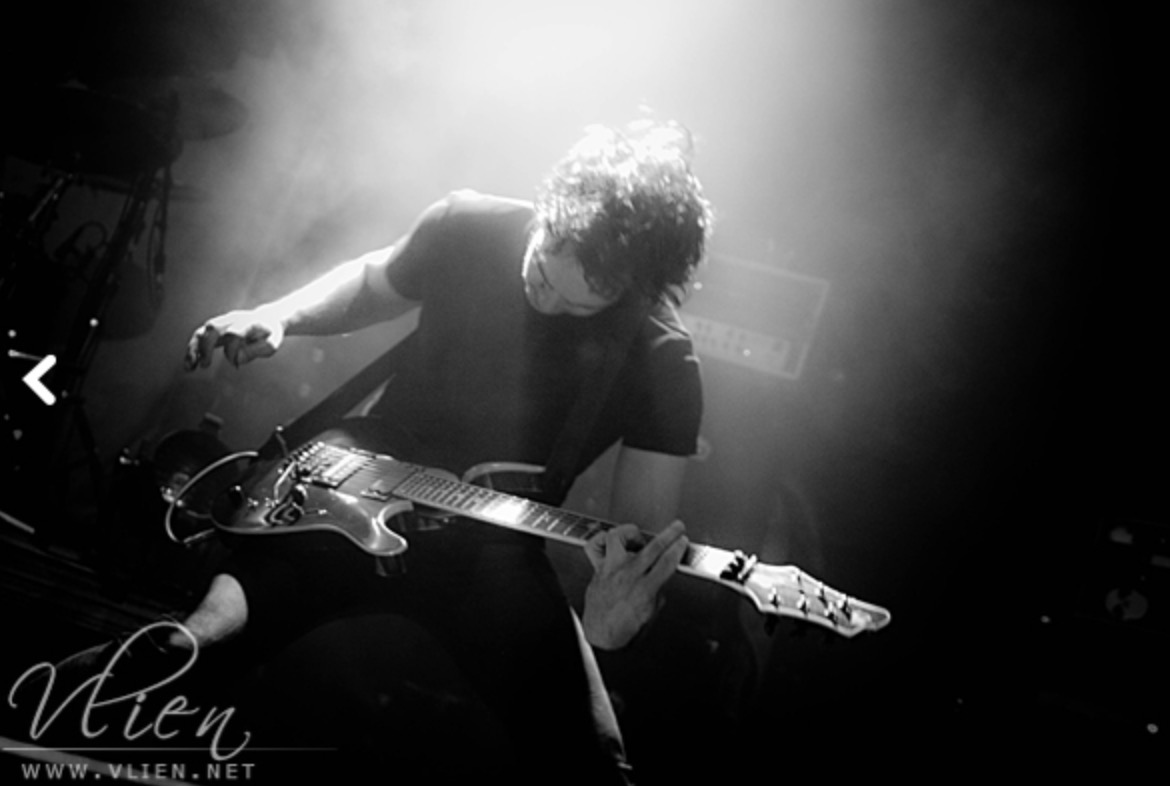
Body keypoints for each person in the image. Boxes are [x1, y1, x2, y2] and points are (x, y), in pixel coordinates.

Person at [177, 119, 714, 783]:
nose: (545, 300)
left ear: (634, 287)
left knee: (594, 768)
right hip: (352, 491)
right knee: (188, 649)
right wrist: (280, 315)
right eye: (543, 267)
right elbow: (374, 281)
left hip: (493, 552)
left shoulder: (664, 360)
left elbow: (642, 541)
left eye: (579, 305)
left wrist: (617, 620)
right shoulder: (466, 224)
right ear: (551, 204)